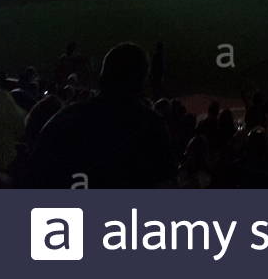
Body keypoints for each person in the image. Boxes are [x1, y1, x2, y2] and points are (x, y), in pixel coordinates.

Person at [27, 42, 176, 188]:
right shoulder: (152, 127)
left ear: (102, 77)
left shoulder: (66, 118)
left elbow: (35, 176)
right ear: (142, 82)